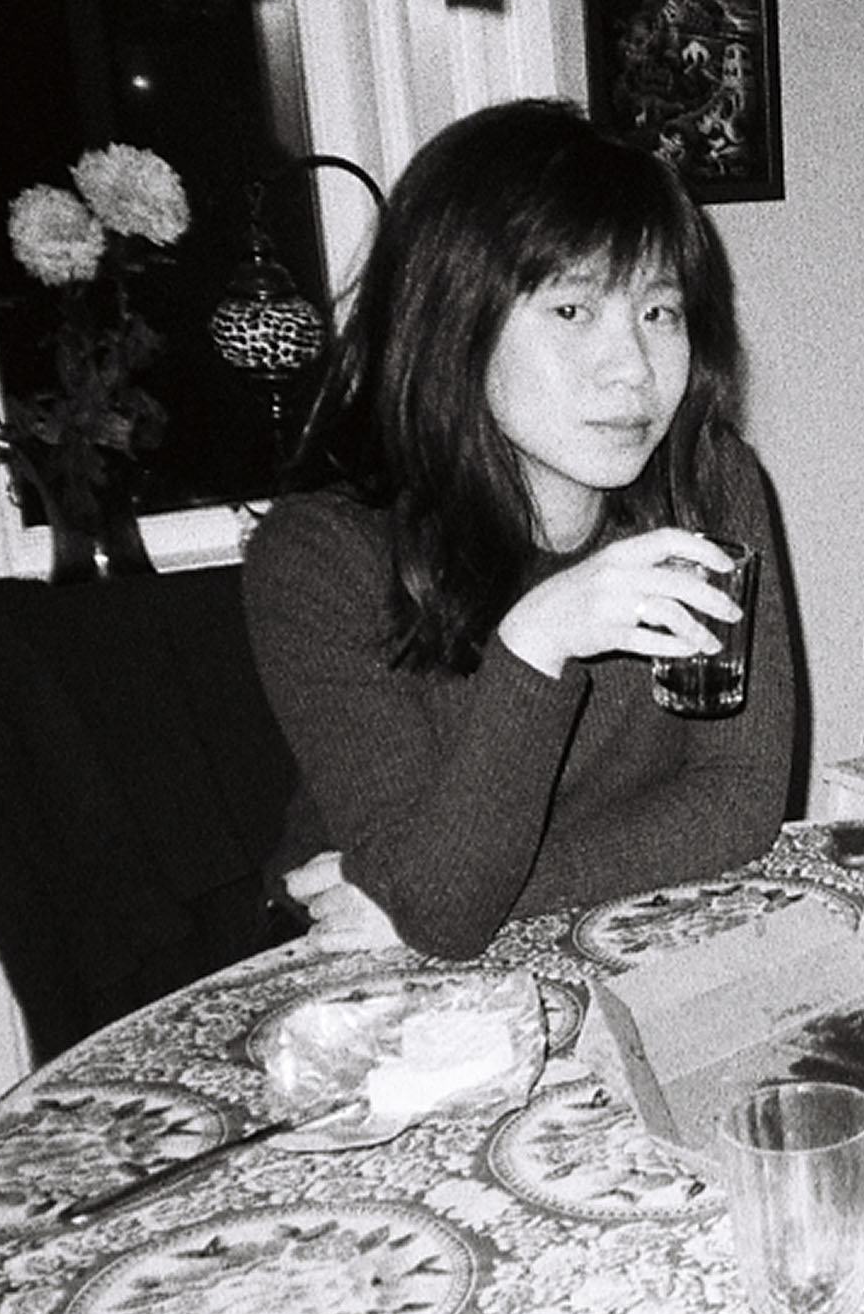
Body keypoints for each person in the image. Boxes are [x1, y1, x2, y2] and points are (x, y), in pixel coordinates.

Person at [244, 98, 799, 959]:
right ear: (453, 321)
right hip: (359, 964)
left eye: (658, 312)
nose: (634, 369)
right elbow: (444, 913)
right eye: (573, 311)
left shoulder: (709, 484)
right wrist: (539, 640)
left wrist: (429, 894)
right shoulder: (320, 554)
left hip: (582, 926)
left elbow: (738, 800)